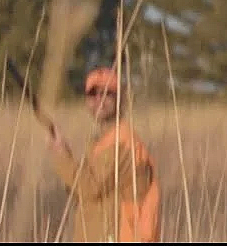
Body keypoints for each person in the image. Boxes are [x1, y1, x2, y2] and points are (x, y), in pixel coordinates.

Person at [49, 66, 162, 243]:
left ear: (120, 99)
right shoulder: (102, 141)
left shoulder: (121, 141)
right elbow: (83, 191)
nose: (99, 99)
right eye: (93, 93)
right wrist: (65, 154)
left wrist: (62, 156)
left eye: (107, 93)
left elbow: (89, 187)